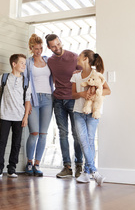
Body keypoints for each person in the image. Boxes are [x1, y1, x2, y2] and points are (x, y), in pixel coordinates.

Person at [46, 34, 83, 178]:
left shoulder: (74, 57)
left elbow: (87, 73)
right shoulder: (50, 61)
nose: (57, 48)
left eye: (58, 44)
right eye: (53, 46)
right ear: (49, 47)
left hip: (73, 99)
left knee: (77, 134)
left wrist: (79, 73)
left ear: (61, 42)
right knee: (63, 134)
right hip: (58, 101)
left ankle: (79, 165)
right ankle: (67, 167)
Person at [71, 49, 111, 185]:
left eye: (80, 56)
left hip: (93, 112)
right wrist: (82, 94)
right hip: (78, 112)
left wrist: (95, 93)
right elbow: (73, 94)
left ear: (86, 59)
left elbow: (108, 90)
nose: (77, 58)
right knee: (83, 140)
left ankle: (87, 172)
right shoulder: (76, 76)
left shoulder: (96, 75)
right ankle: (94, 172)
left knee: (89, 140)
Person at [24, 34, 54, 177]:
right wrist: (26, 103)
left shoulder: (48, 61)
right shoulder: (28, 63)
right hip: (33, 99)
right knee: (34, 133)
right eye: (36, 49)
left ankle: (37, 164)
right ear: (31, 48)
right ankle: (29, 163)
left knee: (43, 134)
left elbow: (59, 72)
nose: (39, 51)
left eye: (41, 48)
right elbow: (25, 83)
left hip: (48, 99)